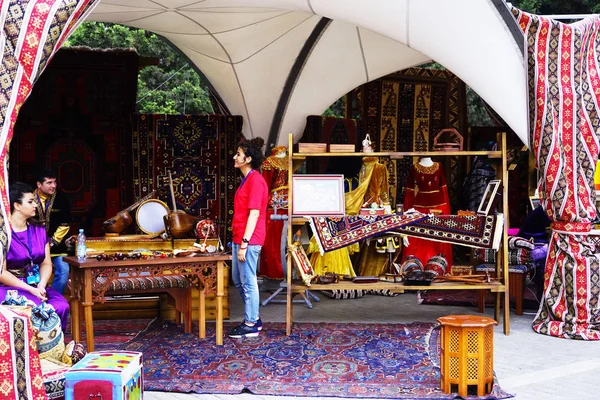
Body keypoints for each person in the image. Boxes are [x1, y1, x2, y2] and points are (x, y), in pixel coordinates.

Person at [0, 182, 70, 330]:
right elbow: (2, 272)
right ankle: (30, 350)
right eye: (30, 201)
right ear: (17, 205)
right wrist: (31, 289)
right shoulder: (3, 233)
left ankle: (53, 350)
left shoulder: (39, 229)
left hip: (36, 284)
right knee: (37, 308)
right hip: (10, 286)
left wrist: (41, 285)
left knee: (61, 306)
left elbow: (46, 263)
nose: (35, 205)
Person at [229, 137, 268, 338]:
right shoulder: (246, 180)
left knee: (248, 280)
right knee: (238, 279)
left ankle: (251, 322)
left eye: (238, 154)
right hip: (239, 238)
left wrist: (244, 243)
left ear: (248, 159)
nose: (235, 157)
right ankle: (254, 316)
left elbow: (254, 214)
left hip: (249, 240)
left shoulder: (256, 181)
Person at [33, 170, 72, 294]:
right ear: (39, 184)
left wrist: (52, 242)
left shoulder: (61, 197)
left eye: (54, 182)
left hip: (57, 247)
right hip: (33, 246)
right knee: (32, 275)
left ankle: (54, 300)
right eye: (49, 183)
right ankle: (37, 300)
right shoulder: (29, 198)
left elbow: (66, 223)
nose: (53, 186)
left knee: (63, 272)